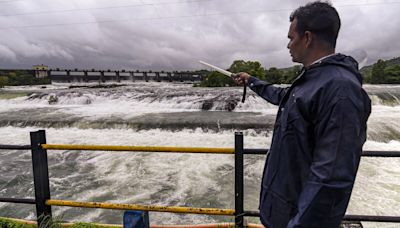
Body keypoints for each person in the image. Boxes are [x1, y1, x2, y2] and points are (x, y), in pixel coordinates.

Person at [235, 1, 371, 228]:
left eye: (291, 37)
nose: (288, 45)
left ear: (307, 38)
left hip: (297, 219)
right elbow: (281, 96)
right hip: (283, 212)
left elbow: (330, 178)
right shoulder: (313, 80)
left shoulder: (340, 90)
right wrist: (251, 81)